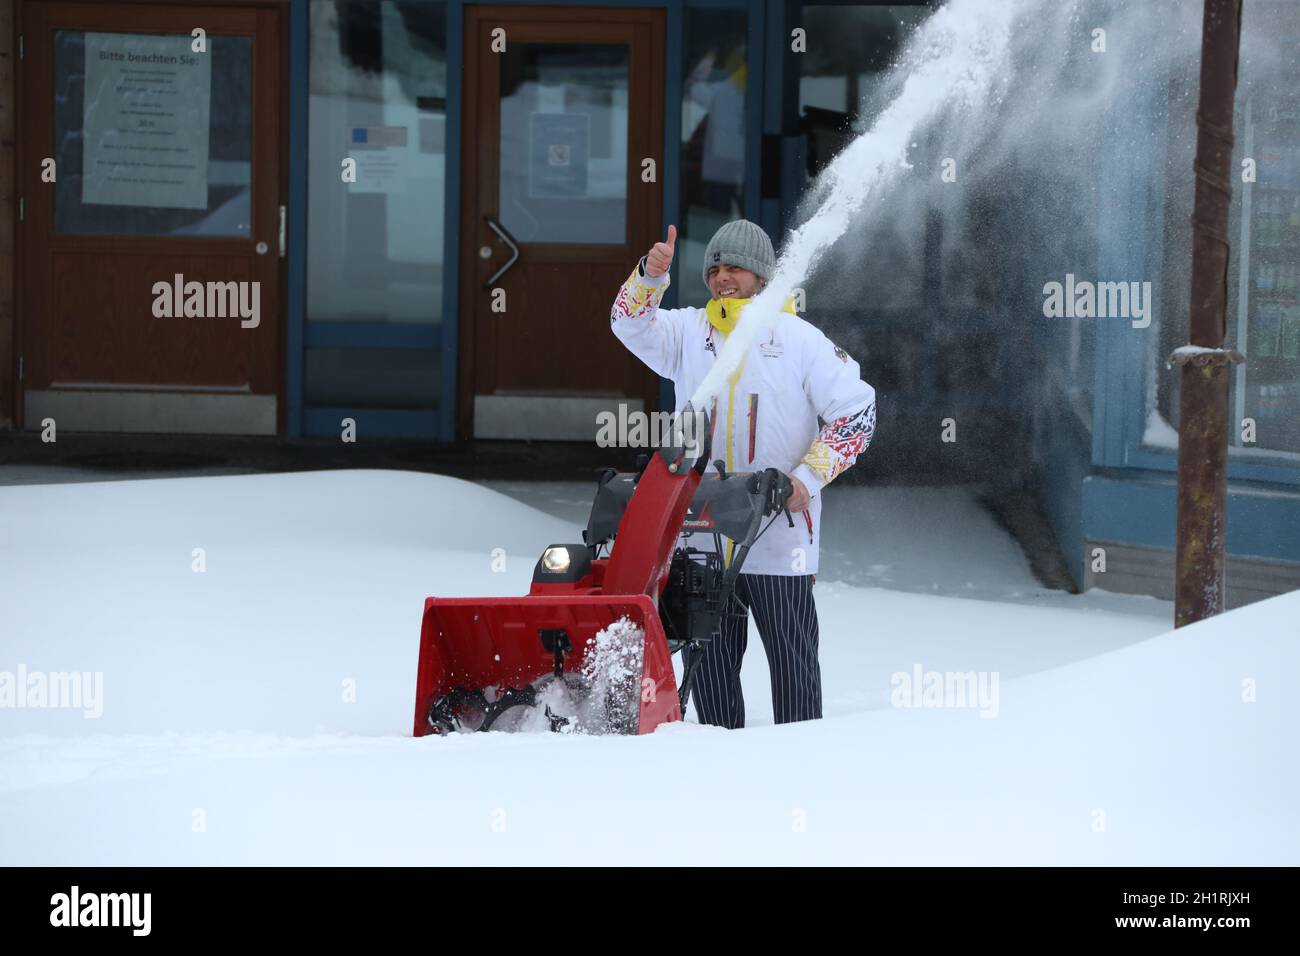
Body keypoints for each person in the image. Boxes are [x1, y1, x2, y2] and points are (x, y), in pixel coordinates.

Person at [609, 219, 877, 728]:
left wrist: (808, 478)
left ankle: (800, 768)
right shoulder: (687, 332)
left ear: (761, 276)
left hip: (781, 537)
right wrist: (648, 277)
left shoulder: (799, 339)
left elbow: (858, 412)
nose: (721, 278)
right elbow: (627, 324)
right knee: (708, 676)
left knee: (794, 669)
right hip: (702, 535)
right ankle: (717, 771)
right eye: (714, 268)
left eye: (734, 267)